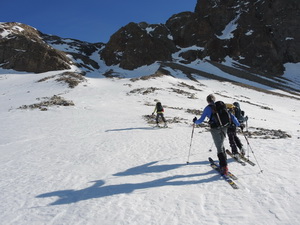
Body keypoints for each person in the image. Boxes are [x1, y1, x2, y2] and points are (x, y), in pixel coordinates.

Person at [192, 94, 241, 175]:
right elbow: (231, 116)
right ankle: (224, 161)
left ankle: (224, 167)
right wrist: (238, 124)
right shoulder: (222, 105)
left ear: (207, 101)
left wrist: (195, 121)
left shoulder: (208, 108)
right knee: (221, 144)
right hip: (224, 127)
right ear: (214, 99)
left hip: (215, 129)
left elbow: (201, 120)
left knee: (219, 147)